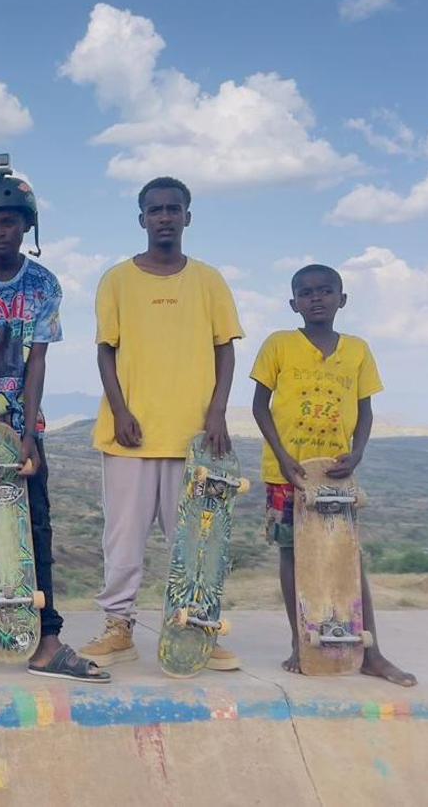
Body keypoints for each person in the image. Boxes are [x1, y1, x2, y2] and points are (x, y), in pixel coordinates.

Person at [0, 155, 108, 682]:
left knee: (34, 524)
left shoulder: (42, 286)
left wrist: (30, 432)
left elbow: (37, 361)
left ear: (26, 225)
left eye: (9, 222)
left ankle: (47, 634)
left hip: (19, 425)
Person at [79, 177, 243, 670]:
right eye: (156, 210)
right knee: (123, 539)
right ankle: (118, 628)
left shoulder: (209, 280)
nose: (165, 217)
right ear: (142, 219)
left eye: (174, 209)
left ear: (187, 217)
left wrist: (216, 412)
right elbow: (106, 351)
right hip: (130, 434)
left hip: (194, 438)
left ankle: (197, 632)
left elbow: (225, 349)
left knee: (195, 543)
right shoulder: (117, 280)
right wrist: (121, 409)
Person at [250, 264, 415, 686]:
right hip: (289, 473)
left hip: (336, 474)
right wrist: (283, 456)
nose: (316, 298)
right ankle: (300, 642)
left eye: (326, 291)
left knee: (346, 557)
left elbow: (365, 410)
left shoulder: (357, 350)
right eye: (306, 293)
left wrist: (357, 452)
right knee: (292, 555)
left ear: (342, 299)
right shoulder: (279, 345)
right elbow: (260, 406)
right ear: (293, 303)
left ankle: (371, 652)